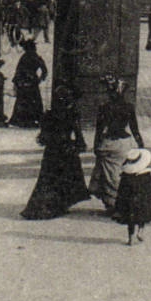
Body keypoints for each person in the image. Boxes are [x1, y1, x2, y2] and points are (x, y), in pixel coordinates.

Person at [20, 87, 91, 220]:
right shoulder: (72, 115)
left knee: (47, 178)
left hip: (51, 150)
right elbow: (79, 138)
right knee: (66, 176)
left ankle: (44, 207)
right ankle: (60, 204)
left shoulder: (49, 115)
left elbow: (42, 137)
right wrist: (78, 145)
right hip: (66, 149)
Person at [92, 77, 144, 212]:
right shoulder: (129, 108)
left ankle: (111, 203)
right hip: (124, 145)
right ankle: (124, 203)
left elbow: (99, 130)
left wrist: (96, 145)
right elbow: (135, 130)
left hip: (108, 143)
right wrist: (141, 145)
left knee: (109, 175)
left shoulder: (104, 108)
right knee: (123, 173)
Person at [112, 147, 151, 245]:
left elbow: (121, 190)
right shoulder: (146, 175)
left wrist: (121, 201)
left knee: (130, 220)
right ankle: (140, 231)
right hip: (143, 200)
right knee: (142, 217)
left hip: (130, 201)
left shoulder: (126, 176)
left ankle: (131, 237)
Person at [8, 38, 49, 128]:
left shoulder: (24, 57)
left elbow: (18, 71)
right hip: (33, 82)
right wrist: (40, 78)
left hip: (23, 82)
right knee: (35, 101)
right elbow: (44, 70)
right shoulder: (36, 57)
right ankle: (34, 119)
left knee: (22, 101)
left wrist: (16, 82)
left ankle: (21, 120)